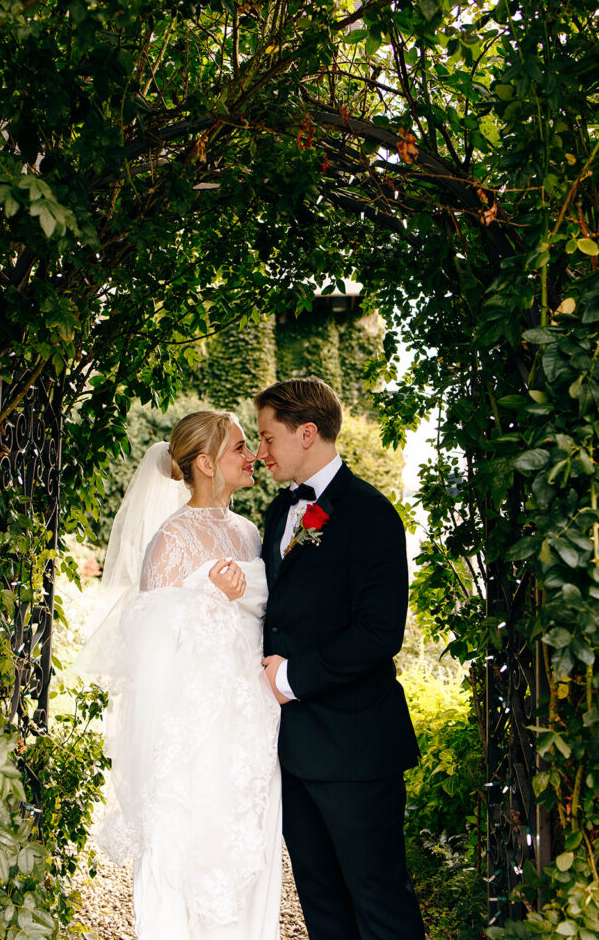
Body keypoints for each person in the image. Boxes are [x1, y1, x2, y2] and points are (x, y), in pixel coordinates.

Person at [78, 411, 282, 940]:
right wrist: (211, 598)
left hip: (252, 723)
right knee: (190, 851)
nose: (252, 455)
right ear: (206, 463)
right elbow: (145, 641)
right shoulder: (170, 540)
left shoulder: (250, 533)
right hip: (195, 727)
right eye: (240, 447)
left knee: (249, 852)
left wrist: (238, 598)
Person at [256, 376, 425, 940]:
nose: (261, 452)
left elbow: (379, 633)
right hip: (293, 750)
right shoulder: (279, 512)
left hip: (357, 750)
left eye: (267, 437)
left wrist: (295, 677)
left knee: (378, 902)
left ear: (307, 433)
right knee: (321, 905)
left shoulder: (370, 513)